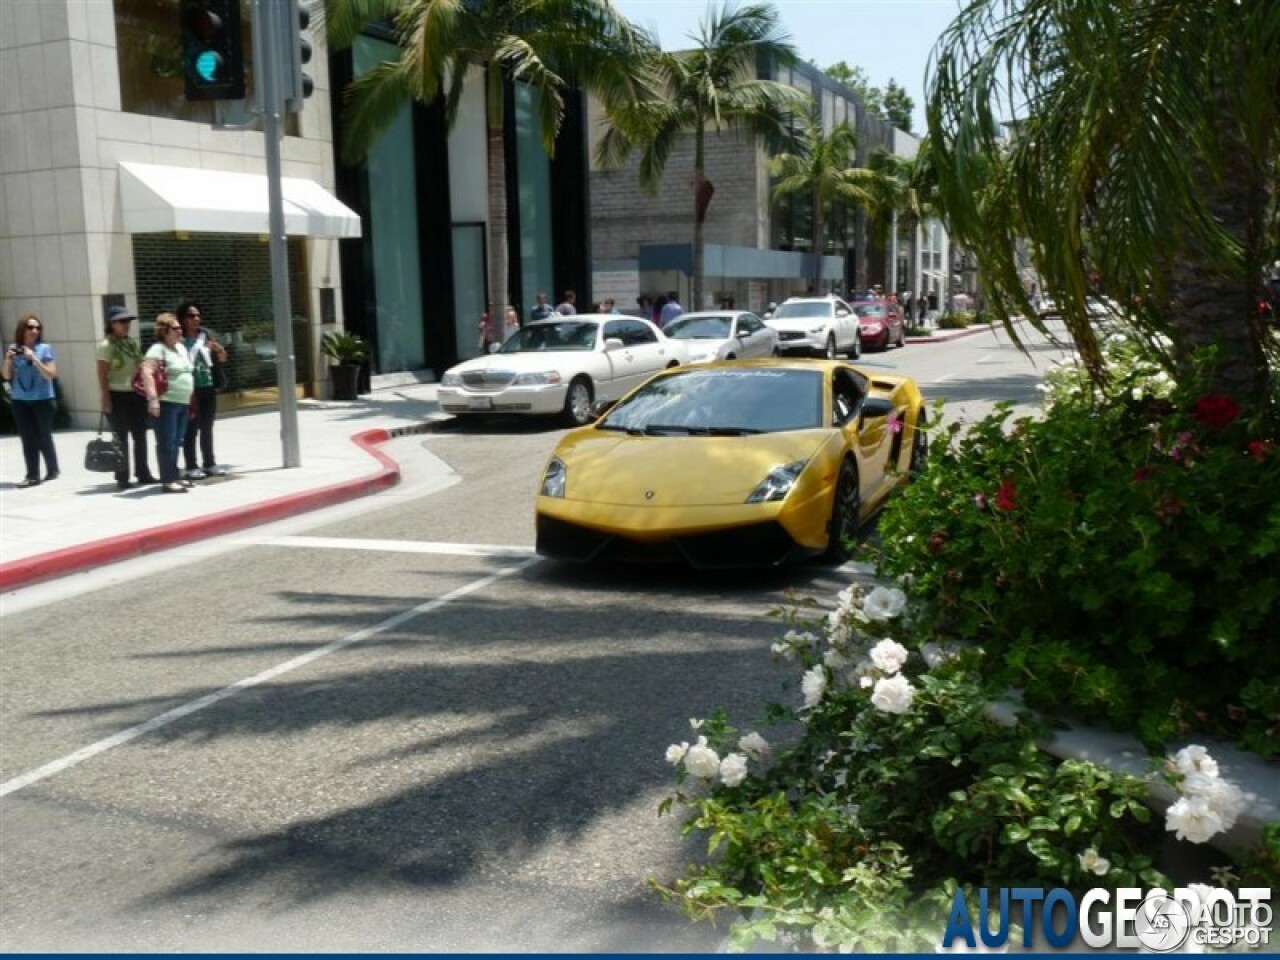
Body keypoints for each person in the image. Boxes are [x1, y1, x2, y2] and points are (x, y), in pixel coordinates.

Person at [96, 304, 154, 490]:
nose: (126, 324)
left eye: (128, 321)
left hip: (135, 394)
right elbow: (102, 373)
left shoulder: (131, 343)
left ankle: (143, 473)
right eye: (122, 321)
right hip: (116, 395)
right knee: (121, 437)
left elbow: (140, 365)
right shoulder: (106, 345)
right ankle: (122, 476)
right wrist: (105, 397)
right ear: (111, 324)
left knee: (140, 435)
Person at [140, 312, 196, 494]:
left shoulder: (180, 348)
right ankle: (168, 480)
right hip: (166, 403)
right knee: (166, 442)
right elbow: (146, 372)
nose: (180, 331)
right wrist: (153, 400)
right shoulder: (157, 349)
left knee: (177, 441)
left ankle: (174, 475)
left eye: (180, 327)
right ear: (164, 331)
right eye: (175, 328)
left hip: (183, 402)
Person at [3, 312, 59, 487]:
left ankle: (52, 468)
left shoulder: (44, 348)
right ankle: (32, 475)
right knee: (28, 438)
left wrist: (34, 358)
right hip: (20, 400)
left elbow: (50, 375)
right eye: (30, 327)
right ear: (22, 330)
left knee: (44, 435)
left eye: (37, 327)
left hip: (43, 399)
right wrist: (8, 359)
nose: (34, 330)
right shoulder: (14, 348)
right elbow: (6, 375)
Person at [178, 300, 228, 480]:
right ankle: (191, 466)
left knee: (207, 427)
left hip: (207, 386)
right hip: (190, 389)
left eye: (198, 315)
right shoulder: (179, 340)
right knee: (191, 429)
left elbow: (222, 359)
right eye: (191, 316)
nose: (196, 319)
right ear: (183, 319)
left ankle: (210, 463)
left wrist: (219, 349)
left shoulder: (206, 335)